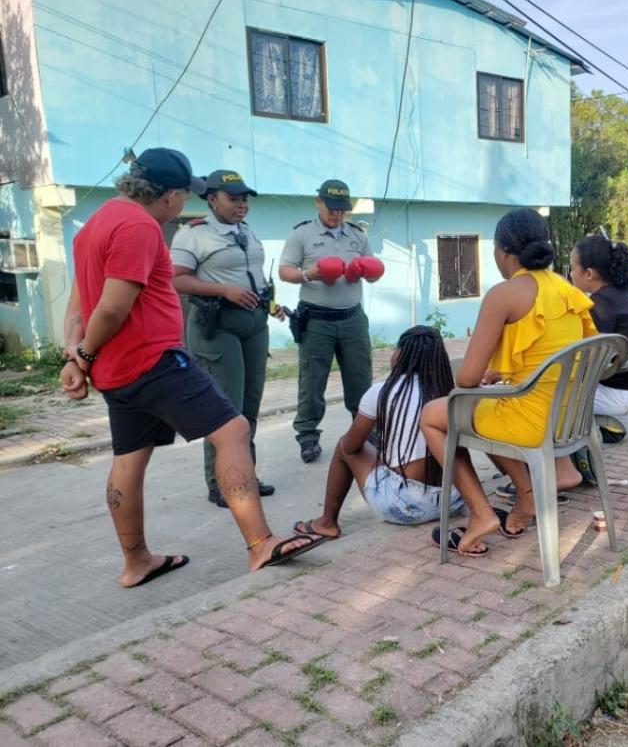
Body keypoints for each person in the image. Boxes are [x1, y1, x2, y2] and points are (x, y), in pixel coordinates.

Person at [59, 148, 327, 587]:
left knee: (130, 457)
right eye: (185, 196)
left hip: (117, 369)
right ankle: (260, 543)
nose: (185, 205)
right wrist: (84, 355)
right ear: (170, 196)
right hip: (153, 359)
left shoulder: (96, 223)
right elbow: (111, 307)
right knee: (233, 430)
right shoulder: (139, 226)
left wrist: (75, 354)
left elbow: (80, 297)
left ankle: (137, 562)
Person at [419, 208, 597, 557]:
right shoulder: (566, 289)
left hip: (531, 422)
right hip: (570, 421)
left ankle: (481, 513)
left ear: (502, 252)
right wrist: (508, 373)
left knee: (434, 414)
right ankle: (526, 500)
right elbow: (553, 356)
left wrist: (488, 376)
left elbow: (466, 378)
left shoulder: (505, 293)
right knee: (486, 406)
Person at [171, 170, 281, 507]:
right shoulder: (193, 234)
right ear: (211, 198)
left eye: (244, 199)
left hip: (254, 323)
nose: (241, 205)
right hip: (217, 325)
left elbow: (255, 276)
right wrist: (224, 290)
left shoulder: (245, 231)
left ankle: (243, 473)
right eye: (233, 199)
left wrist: (270, 303)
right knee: (224, 408)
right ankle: (220, 483)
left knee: (249, 405)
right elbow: (178, 280)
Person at [293, 325, 466, 537]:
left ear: (400, 354)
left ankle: (327, 522)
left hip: (407, 508)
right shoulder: (449, 392)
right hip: (453, 501)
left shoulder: (382, 391)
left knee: (342, 444)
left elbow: (351, 446)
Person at [279, 180, 385, 464]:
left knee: (360, 378)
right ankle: (308, 436)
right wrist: (309, 274)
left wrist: (366, 271)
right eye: (331, 208)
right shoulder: (302, 234)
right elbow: (284, 271)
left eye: (342, 210)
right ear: (318, 203)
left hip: (352, 317)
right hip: (317, 319)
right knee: (312, 382)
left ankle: (364, 430)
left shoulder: (357, 235)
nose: (337, 214)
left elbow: (374, 272)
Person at [568, 235, 628, 415]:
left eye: (572, 268)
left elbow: (588, 363)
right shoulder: (625, 294)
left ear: (589, 273)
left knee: (551, 396)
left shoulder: (601, 305)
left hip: (615, 396)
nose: (570, 275)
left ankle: (575, 440)